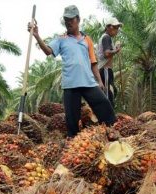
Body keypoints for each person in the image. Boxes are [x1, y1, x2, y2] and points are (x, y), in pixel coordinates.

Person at [27, 5, 117, 138]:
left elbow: (93, 63)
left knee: (105, 105)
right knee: (72, 119)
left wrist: (99, 80)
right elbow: (47, 51)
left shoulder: (87, 40)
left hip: (89, 83)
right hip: (71, 85)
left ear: (78, 19)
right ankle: (73, 145)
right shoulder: (60, 39)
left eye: (71, 19)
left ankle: (113, 134)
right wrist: (36, 35)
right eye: (66, 19)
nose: (68, 22)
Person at [97, 17, 123, 108]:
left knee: (113, 91)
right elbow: (107, 53)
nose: (116, 30)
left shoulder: (107, 38)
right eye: (115, 27)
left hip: (107, 71)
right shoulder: (106, 37)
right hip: (105, 70)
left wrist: (115, 48)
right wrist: (116, 50)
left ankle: (106, 112)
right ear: (108, 27)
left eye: (117, 28)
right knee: (108, 95)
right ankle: (107, 119)